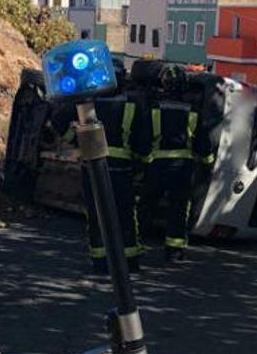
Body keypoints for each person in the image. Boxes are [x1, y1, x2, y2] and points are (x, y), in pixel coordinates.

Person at [68, 61, 149, 274]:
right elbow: (143, 141)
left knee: (96, 216)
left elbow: (63, 125)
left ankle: (101, 262)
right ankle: (130, 262)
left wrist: (76, 143)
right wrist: (142, 165)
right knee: (125, 217)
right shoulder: (132, 104)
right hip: (122, 171)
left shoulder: (88, 102)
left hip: (93, 169)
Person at [139, 65, 214, 263]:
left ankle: (135, 242)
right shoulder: (193, 112)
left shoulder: (154, 109)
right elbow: (202, 143)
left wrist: (143, 163)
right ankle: (175, 251)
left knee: (147, 205)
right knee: (178, 209)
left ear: (163, 85)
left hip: (157, 165)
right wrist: (207, 165)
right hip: (182, 167)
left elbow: (143, 139)